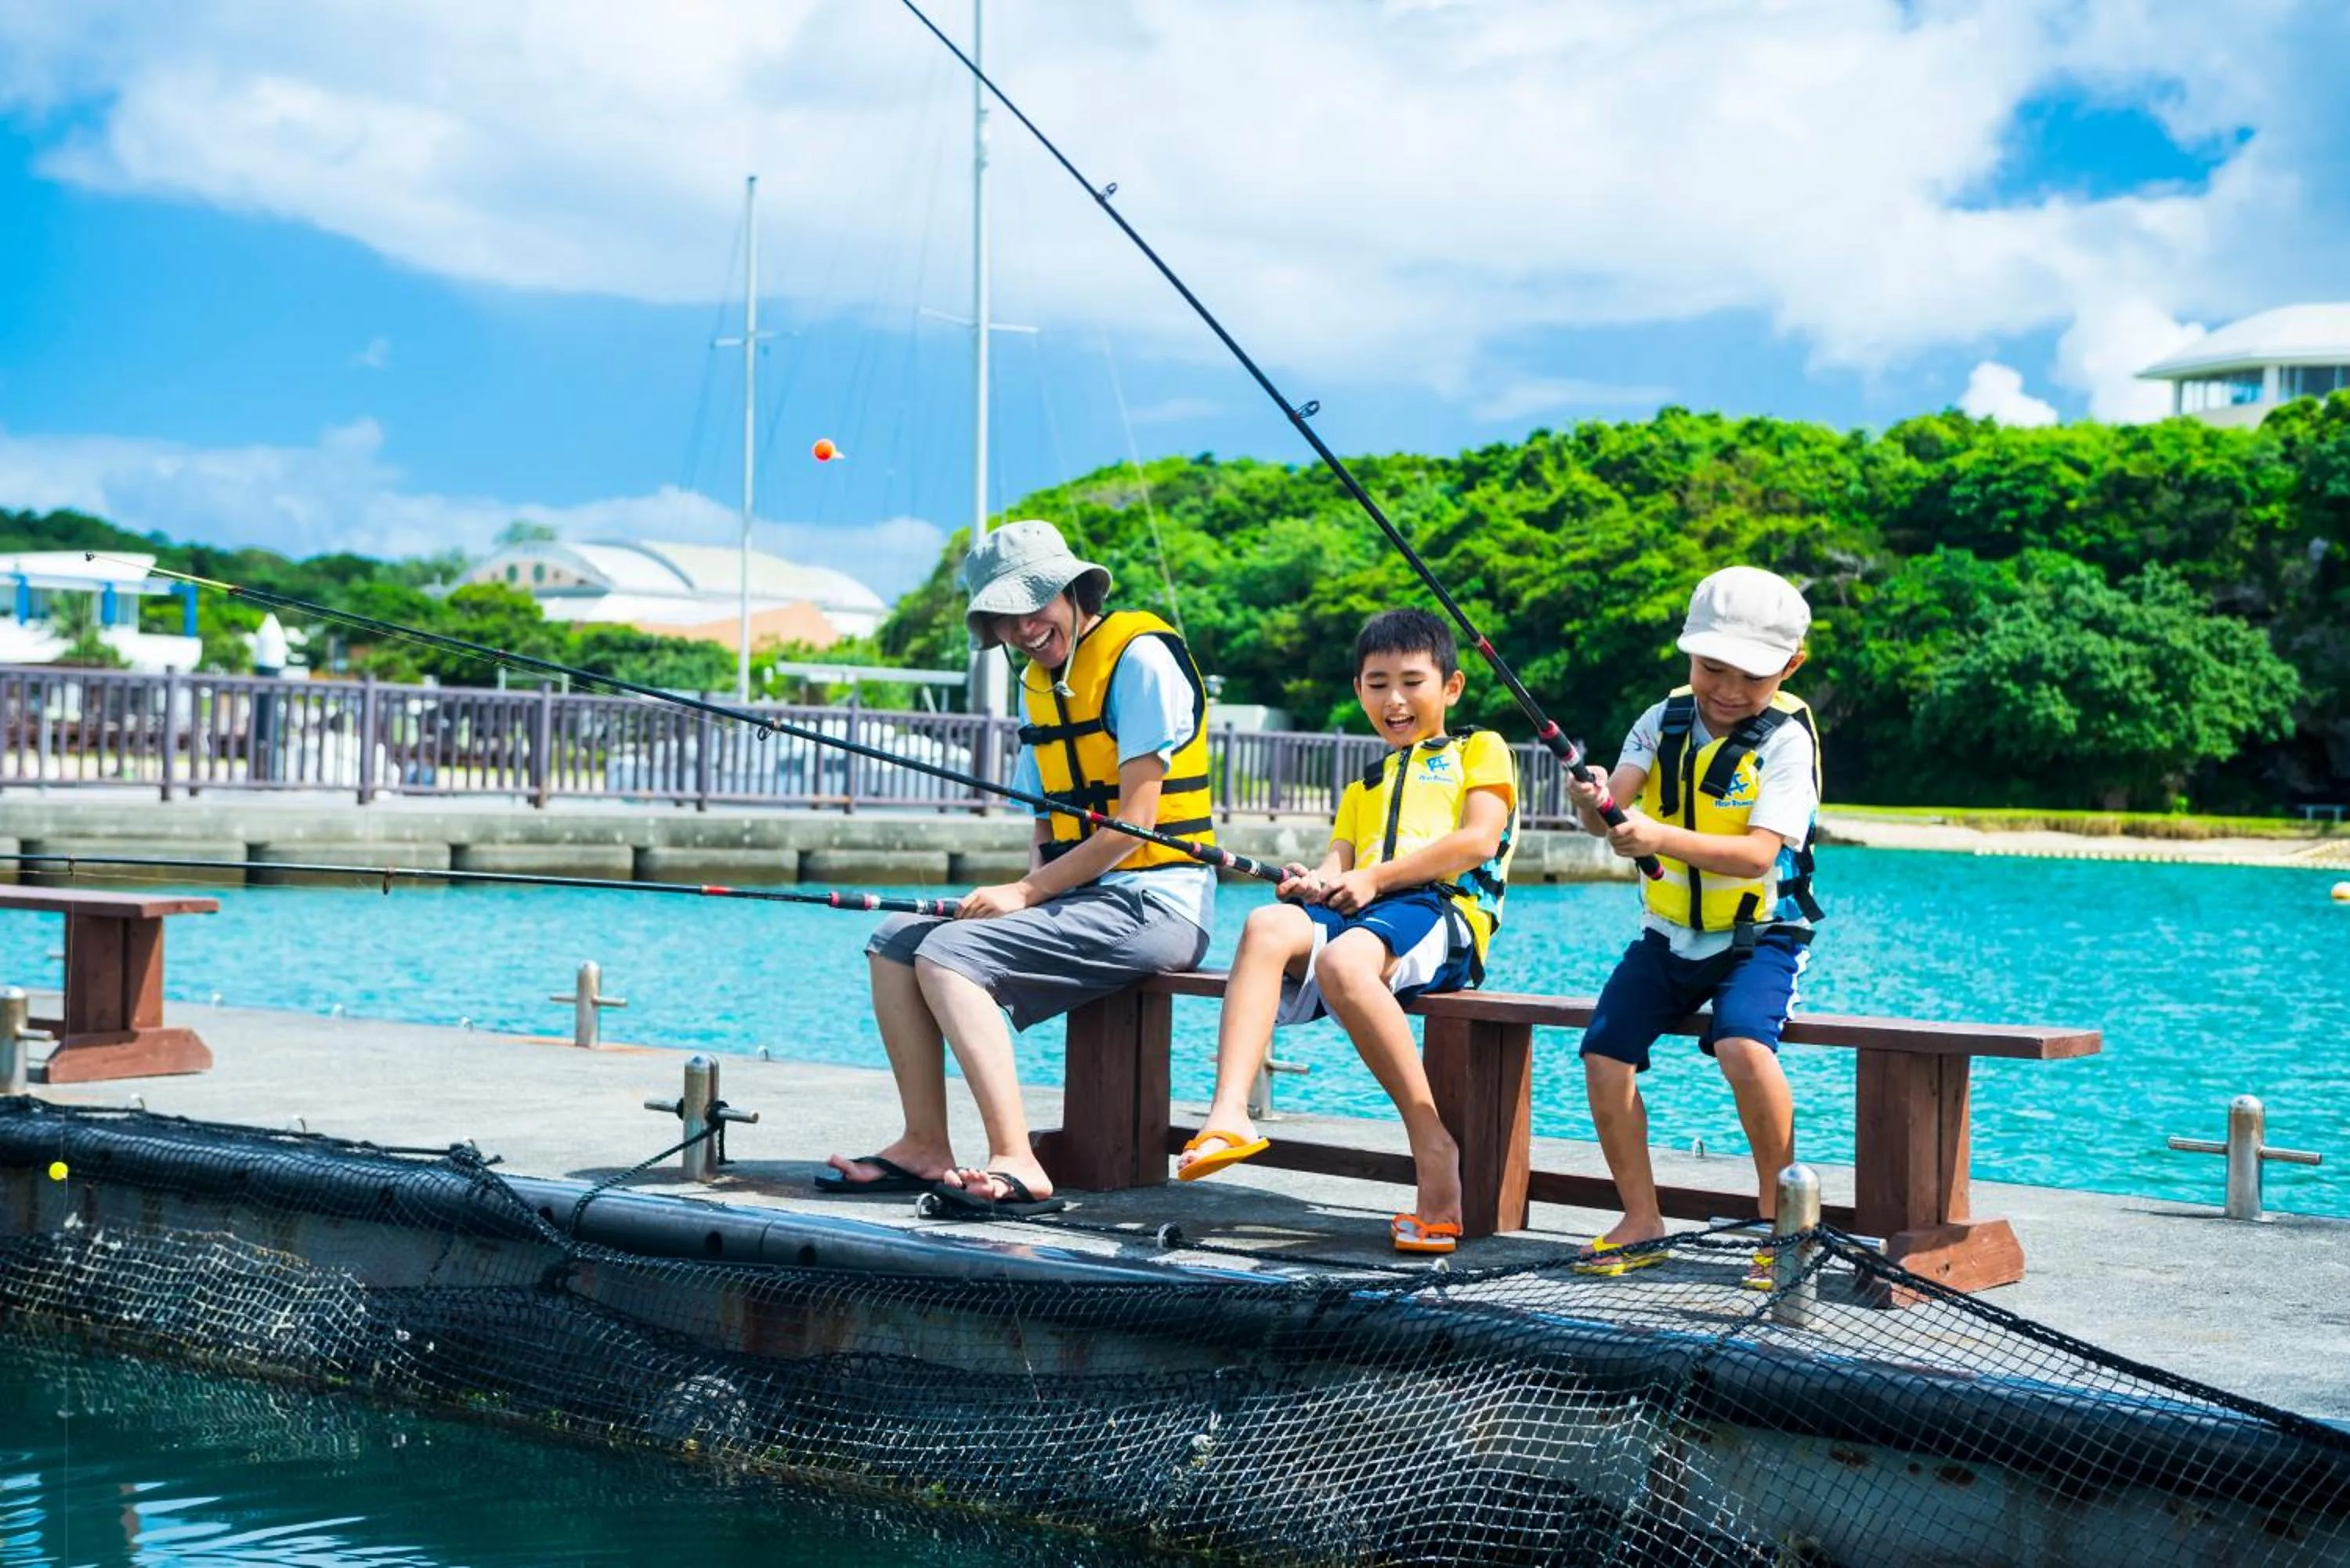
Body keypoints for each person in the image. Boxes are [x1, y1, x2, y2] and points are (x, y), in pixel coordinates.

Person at [819, 520, 1217, 1216]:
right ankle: (924, 1145)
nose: (1024, 628)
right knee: (895, 943)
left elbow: (1136, 826)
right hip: (1080, 901)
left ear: (1070, 590)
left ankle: (1017, 1161)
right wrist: (1026, 895)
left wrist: (1027, 893)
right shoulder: (1041, 684)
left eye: (1033, 605)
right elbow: (1046, 824)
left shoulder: (1140, 658)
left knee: (947, 954)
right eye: (1003, 618)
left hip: (1157, 903)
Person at [1173, 609, 1517, 1256]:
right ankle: (1228, 1115)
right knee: (1268, 924)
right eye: (1377, 682)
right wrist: (1315, 883)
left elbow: (1477, 840)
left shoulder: (1481, 748)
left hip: (1444, 914)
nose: (1395, 699)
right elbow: (1341, 867)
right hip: (1374, 912)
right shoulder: (1365, 783)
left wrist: (1374, 878)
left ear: (1452, 686)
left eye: (1412, 681)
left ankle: (1432, 1146)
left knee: (1347, 962)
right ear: (1358, 690)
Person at [1564, 566, 1823, 1286]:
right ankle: (1642, 1222)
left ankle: (1785, 1224)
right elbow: (1609, 811)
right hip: (1668, 933)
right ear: (1689, 653)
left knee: (1743, 1047)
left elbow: (1756, 856)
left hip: (1760, 937)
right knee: (1604, 1054)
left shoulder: (1786, 744)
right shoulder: (1661, 719)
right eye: (1712, 667)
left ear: (1791, 667)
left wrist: (1654, 836)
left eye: (1752, 674)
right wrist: (1591, 801)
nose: (1729, 689)